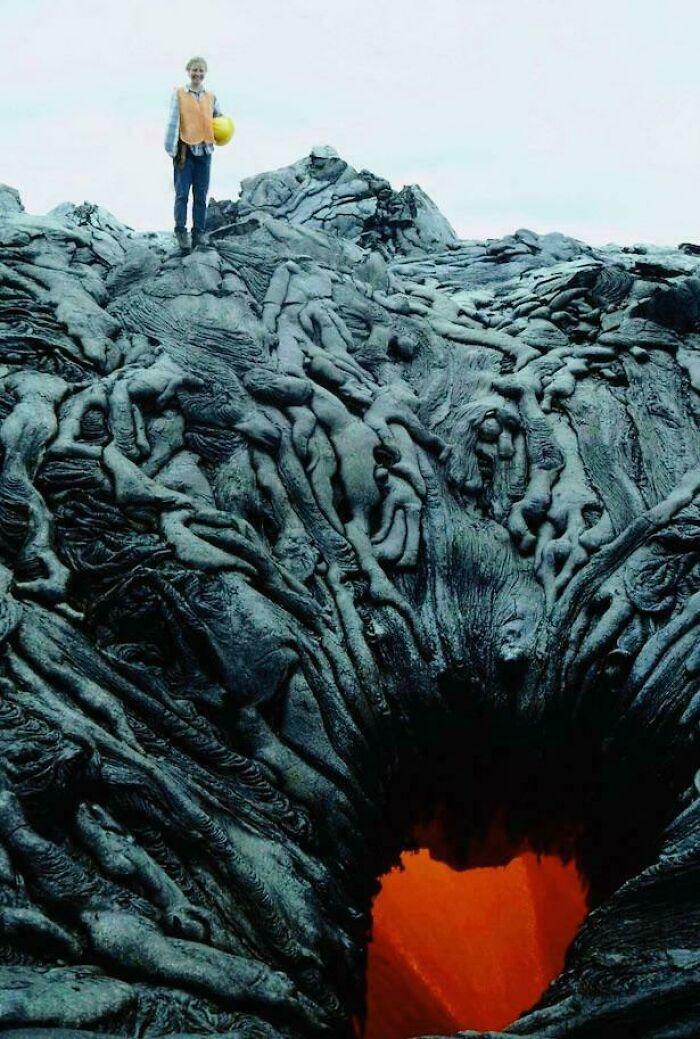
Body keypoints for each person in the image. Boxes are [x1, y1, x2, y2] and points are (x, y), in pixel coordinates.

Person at [164, 56, 222, 251]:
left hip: (205, 152)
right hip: (185, 151)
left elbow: (218, 119)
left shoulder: (211, 96)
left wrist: (224, 132)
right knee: (182, 194)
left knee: (201, 195)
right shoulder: (179, 93)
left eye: (201, 71)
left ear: (205, 73)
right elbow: (173, 122)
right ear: (188, 71)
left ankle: (199, 234)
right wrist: (171, 150)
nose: (197, 74)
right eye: (194, 70)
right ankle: (181, 232)